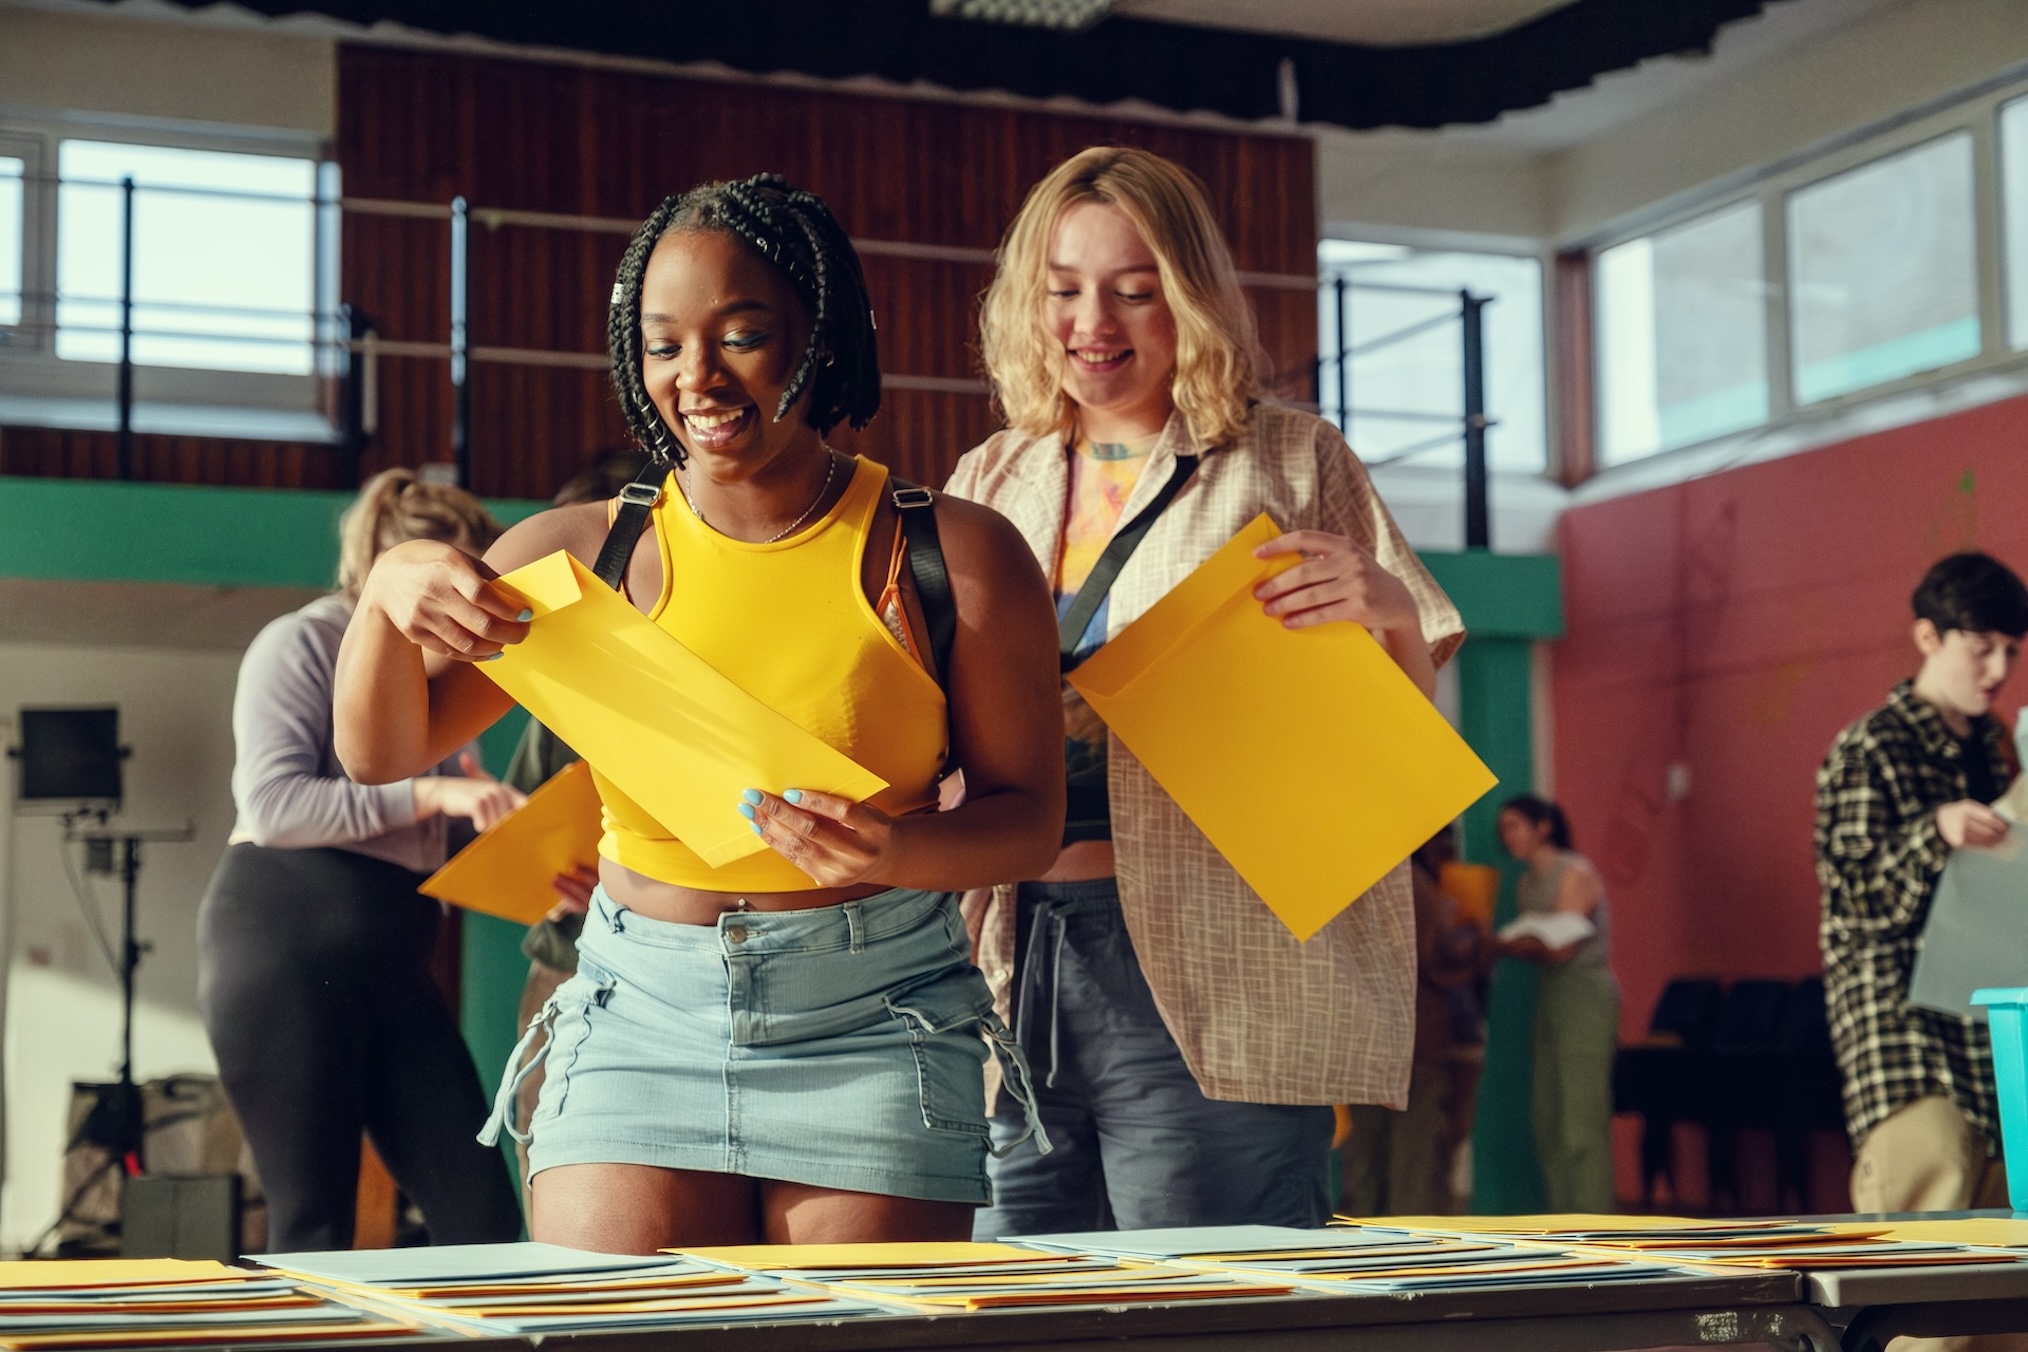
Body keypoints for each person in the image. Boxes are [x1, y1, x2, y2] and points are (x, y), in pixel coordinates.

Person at [331, 174, 1063, 1254]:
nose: (697, 376)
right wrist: (389, 595)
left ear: (822, 338)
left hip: (874, 1014)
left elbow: (1028, 817)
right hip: (639, 1013)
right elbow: (380, 748)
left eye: (743, 334)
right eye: (663, 342)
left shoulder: (953, 553)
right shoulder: (576, 553)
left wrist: (900, 844)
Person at [945, 145, 1464, 1236]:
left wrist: (1391, 612)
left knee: (1208, 1301)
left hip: (1213, 950)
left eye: (1135, 291)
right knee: (1006, 1300)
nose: (1096, 320)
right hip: (1006, 945)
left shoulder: (1286, 457)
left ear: (1190, 296)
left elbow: (1401, 735)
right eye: (1065, 290)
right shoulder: (993, 473)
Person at [196, 468, 525, 1253]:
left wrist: (518, 843)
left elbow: (427, 836)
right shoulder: (301, 640)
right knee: (314, 1223)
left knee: (481, 1216)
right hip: (280, 945)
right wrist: (433, 797)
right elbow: (273, 805)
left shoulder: (440, 678)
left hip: (395, 959)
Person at [1818, 553, 2028, 1221]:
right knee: (1932, 1192)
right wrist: (1933, 830)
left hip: (1995, 1027)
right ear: (1929, 638)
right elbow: (1854, 900)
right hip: (1904, 1033)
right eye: (1981, 647)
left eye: (2012, 651)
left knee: (2003, 1270)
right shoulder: (1870, 746)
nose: (1998, 670)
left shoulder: (2000, 748)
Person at [504, 450, 650, 1202]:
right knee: (557, 1195)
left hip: (680, 969)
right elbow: (519, 822)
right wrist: (550, 874)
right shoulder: (560, 681)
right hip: (570, 969)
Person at [1341, 829, 1485, 1217]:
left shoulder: (1354, 879)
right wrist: (1475, 936)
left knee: (1368, 1154)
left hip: (1364, 1036)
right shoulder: (1413, 881)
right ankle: (1413, 1251)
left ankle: (1365, 1242)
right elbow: (1439, 955)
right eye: (1444, 844)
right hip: (1416, 1035)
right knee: (1416, 1156)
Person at [1494, 793, 1619, 1214]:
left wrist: (1502, 944)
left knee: (1580, 1117)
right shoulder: (1526, 882)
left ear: (1543, 825)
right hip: (1551, 994)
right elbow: (1538, 944)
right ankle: (1564, 1220)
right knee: (1549, 1116)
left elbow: (1561, 945)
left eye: (1514, 825)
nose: (1507, 835)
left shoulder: (1575, 871)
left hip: (1584, 994)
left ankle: (1597, 1224)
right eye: (1504, 828)